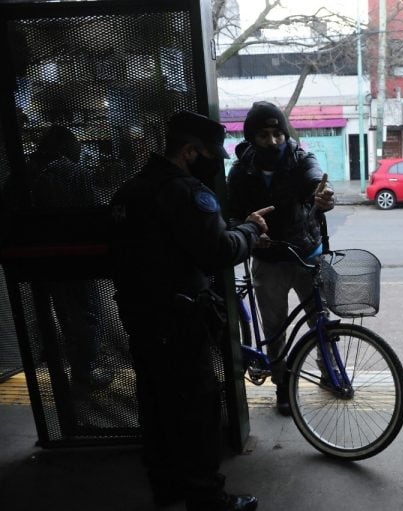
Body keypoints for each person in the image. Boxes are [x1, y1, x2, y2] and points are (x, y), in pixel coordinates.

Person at [110, 111, 270, 511]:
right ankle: (207, 497)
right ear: (188, 151)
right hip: (179, 320)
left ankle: (166, 485)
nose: (215, 161)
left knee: (156, 403)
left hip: (139, 317)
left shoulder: (129, 190)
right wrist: (250, 229)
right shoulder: (185, 192)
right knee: (197, 408)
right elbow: (217, 251)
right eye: (209, 154)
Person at [225, 101, 335, 416]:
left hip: (306, 256)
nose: (273, 141)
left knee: (321, 321)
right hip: (267, 260)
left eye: (277, 134)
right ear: (251, 138)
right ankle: (282, 385)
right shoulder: (241, 171)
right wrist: (246, 227)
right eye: (264, 135)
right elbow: (232, 215)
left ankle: (328, 372)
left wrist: (323, 196)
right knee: (275, 329)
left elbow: (316, 180)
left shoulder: (301, 160)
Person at [28, 126, 114, 393]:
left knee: (59, 314)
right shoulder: (72, 172)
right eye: (76, 144)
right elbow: (95, 213)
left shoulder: (25, 171)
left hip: (37, 259)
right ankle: (83, 372)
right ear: (65, 146)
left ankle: (60, 367)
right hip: (75, 258)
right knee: (86, 314)